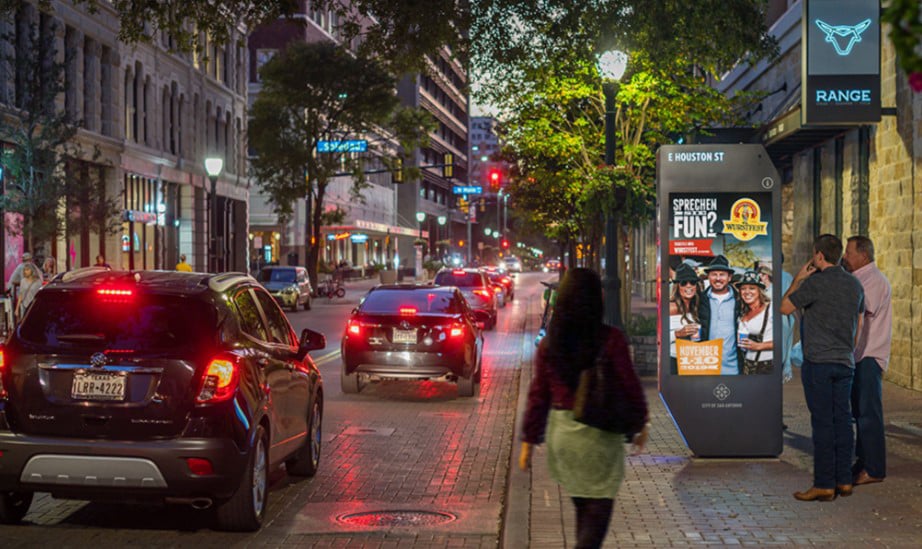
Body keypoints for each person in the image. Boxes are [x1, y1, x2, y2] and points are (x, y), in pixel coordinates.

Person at [519, 268, 648, 549]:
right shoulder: (611, 339)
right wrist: (640, 424)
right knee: (596, 521)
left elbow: (538, 395)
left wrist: (529, 440)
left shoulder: (550, 344)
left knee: (583, 510)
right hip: (600, 438)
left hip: (564, 437)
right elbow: (631, 386)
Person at [781, 234, 864, 502]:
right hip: (844, 362)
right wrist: (848, 350)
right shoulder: (854, 285)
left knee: (823, 424)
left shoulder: (815, 283)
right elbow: (858, 325)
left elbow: (784, 307)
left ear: (818, 255)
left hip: (818, 362)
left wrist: (798, 279)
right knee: (843, 421)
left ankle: (824, 484)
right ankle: (844, 481)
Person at [843, 235, 892, 487]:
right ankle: (863, 461)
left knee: (869, 414)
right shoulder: (859, 279)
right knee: (860, 412)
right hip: (859, 355)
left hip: (869, 355)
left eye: (849, 252)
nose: (845, 256)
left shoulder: (872, 281)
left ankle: (874, 468)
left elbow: (860, 309)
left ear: (863, 254)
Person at [697, 255, 741, 375]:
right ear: (708, 277)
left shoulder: (740, 300)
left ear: (729, 277)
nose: (718, 278)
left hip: (734, 367)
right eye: (714, 274)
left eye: (722, 274)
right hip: (707, 367)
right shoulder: (700, 300)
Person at [737, 271, 773, 375]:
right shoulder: (742, 312)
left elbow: (783, 340)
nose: (747, 292)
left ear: (759, 291)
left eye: (752, 288)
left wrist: (759, 346)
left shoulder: (770, 309)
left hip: (766, 366)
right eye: (743, 288)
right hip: (747, 366)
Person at [669, 263, 702, 374]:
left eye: (692, 282)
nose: (688, 286)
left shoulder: (698, 307)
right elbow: (659, 337)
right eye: (684, 283)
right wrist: (678, 334)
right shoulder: (670, 308)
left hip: (694, 362)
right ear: (677, 286)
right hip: (674, 361)